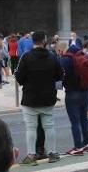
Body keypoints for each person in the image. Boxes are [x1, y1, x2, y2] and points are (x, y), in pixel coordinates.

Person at [15, 31, 64, 164]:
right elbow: (60, 75)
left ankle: (31, 155)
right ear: (44, 41)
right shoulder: (52, 56)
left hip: (30, 97)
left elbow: (19, 77)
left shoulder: (26, 57)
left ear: (32, 41)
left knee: (31, 128)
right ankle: (52, 152)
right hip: (48, 97)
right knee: (49, 126)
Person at [59, 43, 88, 155]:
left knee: (75, 121)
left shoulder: (66, 59)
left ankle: (78, 147)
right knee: (84, 118)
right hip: (86, 91)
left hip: (72, 92)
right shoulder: (84, 55)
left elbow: (60, 75)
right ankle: (86, 144)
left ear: (62, 50)